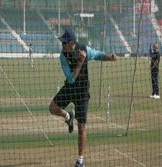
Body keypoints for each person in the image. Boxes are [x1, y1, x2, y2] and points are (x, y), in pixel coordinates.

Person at [48, 28, 117, 167]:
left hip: (82, 93)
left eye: (64, 43)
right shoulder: (63, 56)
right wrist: (80, 62)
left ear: (72, 43)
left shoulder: (85, 49)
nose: (62, 45)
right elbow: (71, 79)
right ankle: (68, 117)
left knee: (82, 127)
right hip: (70, 87)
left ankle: (80, 161)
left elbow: (97, 55)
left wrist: (110, 58)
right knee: (52, 108)